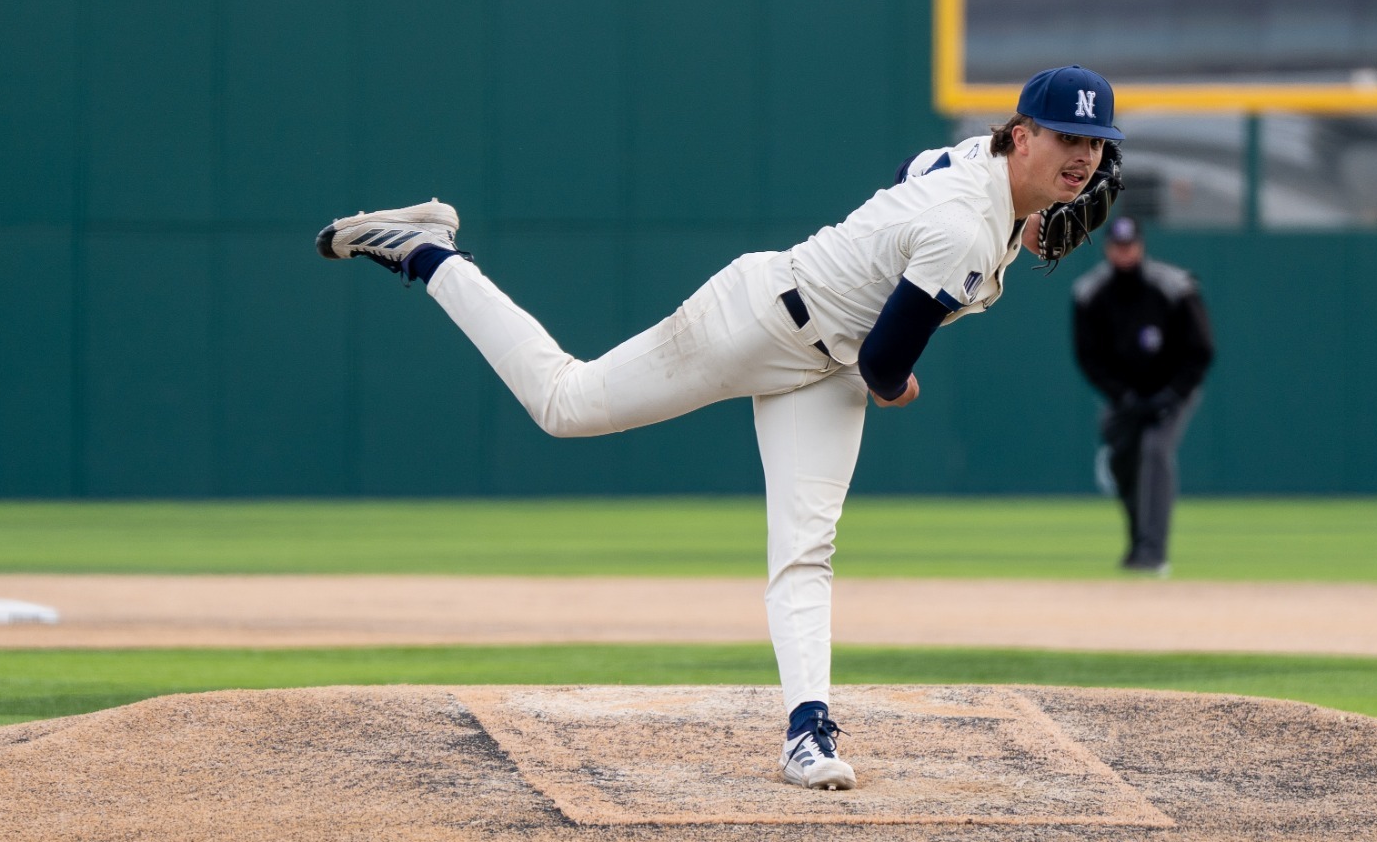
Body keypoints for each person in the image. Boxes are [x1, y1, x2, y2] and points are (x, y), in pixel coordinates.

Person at [316, 65, 1125, 792]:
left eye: (1095, 141)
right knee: (565, 403)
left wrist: (962, 247)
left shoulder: (970, 168)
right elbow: (885, 367)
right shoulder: (961, 228)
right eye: (1066, 136)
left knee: (808, 549)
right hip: (759, 320)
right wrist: (899, 383)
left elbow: (906, 176)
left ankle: (808, 732)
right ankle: (427, 251)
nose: (1084, 156)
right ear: (1019, 136)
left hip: (823, 364)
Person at [1070, 216, 1211, 574]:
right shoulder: (1091, 292)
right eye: (1117, 247)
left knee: (1155, 450)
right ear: (1108, 250)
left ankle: (1153, 553)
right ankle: (1137, 544)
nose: (1124, 253)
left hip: (1172, 392)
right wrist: (1122, 396)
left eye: (1130, 246)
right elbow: (1089, 357)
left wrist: (1171, 394)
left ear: (1141, 246)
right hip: (1124, 397)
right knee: (1122, 462)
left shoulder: (1173, 287)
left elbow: (1200, 349)